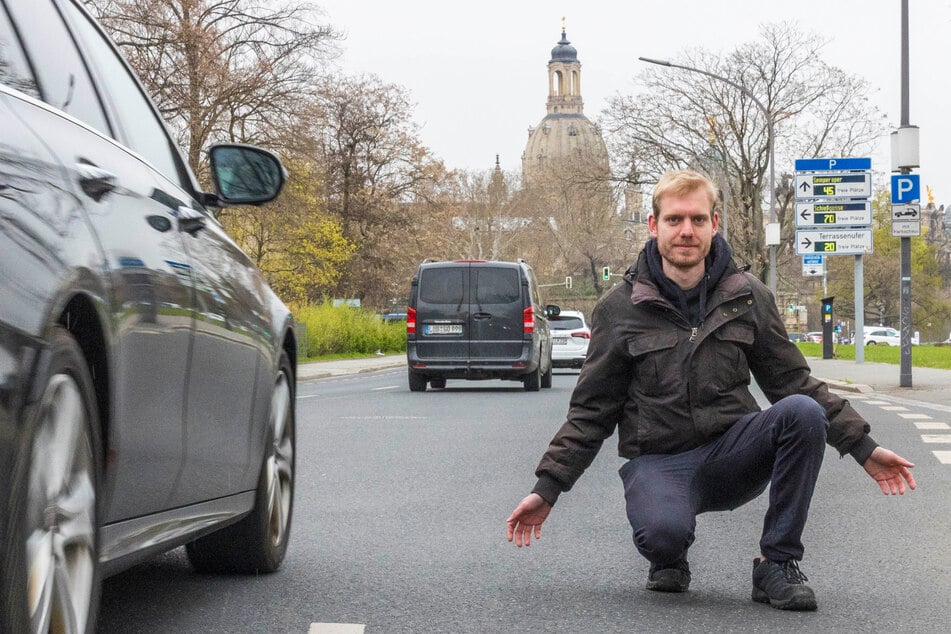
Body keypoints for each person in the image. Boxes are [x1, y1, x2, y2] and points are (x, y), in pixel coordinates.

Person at [506, 169, 916, 611]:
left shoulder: (748, 296)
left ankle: (776, 562)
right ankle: (669, 553)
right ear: (653, 225)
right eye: (675, 219)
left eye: (698, 220)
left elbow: (793, 382)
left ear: (714, 224)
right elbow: (591, 412)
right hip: (660, 462)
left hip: (732, 455)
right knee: (663, 535)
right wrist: (548, 489)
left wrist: (863, 447)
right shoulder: (619, 308)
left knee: (800, 410)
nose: (687, 231)